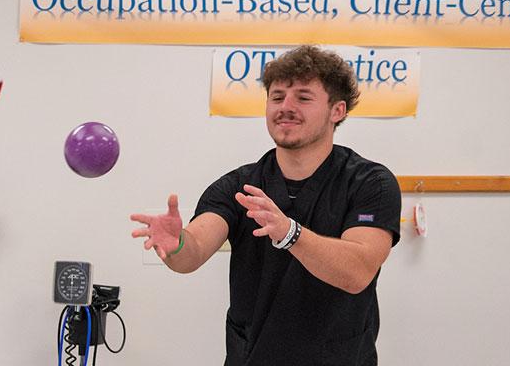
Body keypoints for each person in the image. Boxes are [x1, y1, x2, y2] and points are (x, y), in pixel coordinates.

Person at [129, 46, 401, 365]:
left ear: (337, 110)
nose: (285, 107)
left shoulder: (370, 183)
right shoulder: (238, 187)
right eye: (277, 97)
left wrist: (290, 233)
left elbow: (358, 271)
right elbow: (193, 252)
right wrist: (177, 244)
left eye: (303, 97)